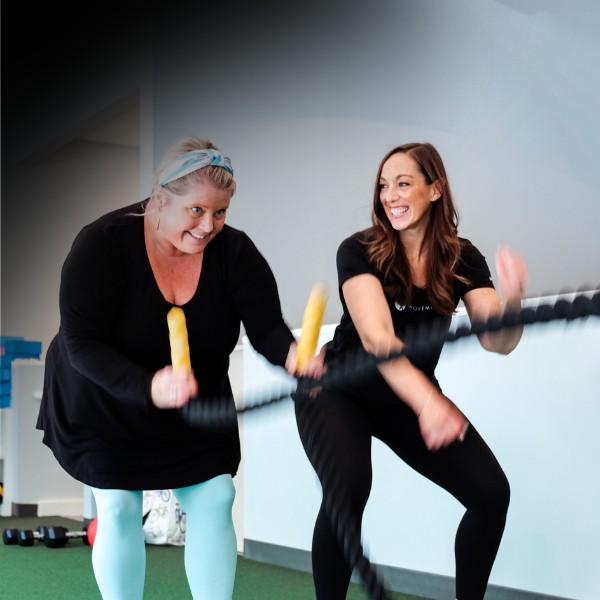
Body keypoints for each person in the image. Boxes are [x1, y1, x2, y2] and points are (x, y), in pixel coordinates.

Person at [37, 136, 317, 600]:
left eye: (221, 212)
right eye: (197, 211)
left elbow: (267, 328)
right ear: (160, 198)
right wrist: (149, 386)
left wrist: (294, 356)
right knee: (120, 507)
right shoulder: (102, 244)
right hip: (103, 394)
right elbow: (81, 344)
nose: (209, 226)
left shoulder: (235, 253)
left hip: (193, 399)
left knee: (215, 497)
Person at [294, 142, 528, 600]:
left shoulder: (461, 259)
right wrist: (429, 403)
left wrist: (514, 297)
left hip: (404, 398)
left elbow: (497, 341)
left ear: (435, 189)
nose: (390, 195)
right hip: (339, 390)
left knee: (491, 494)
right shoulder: (358, 250)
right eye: (384, 185)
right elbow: (380, 340)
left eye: (404, 183)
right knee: (348, 489)